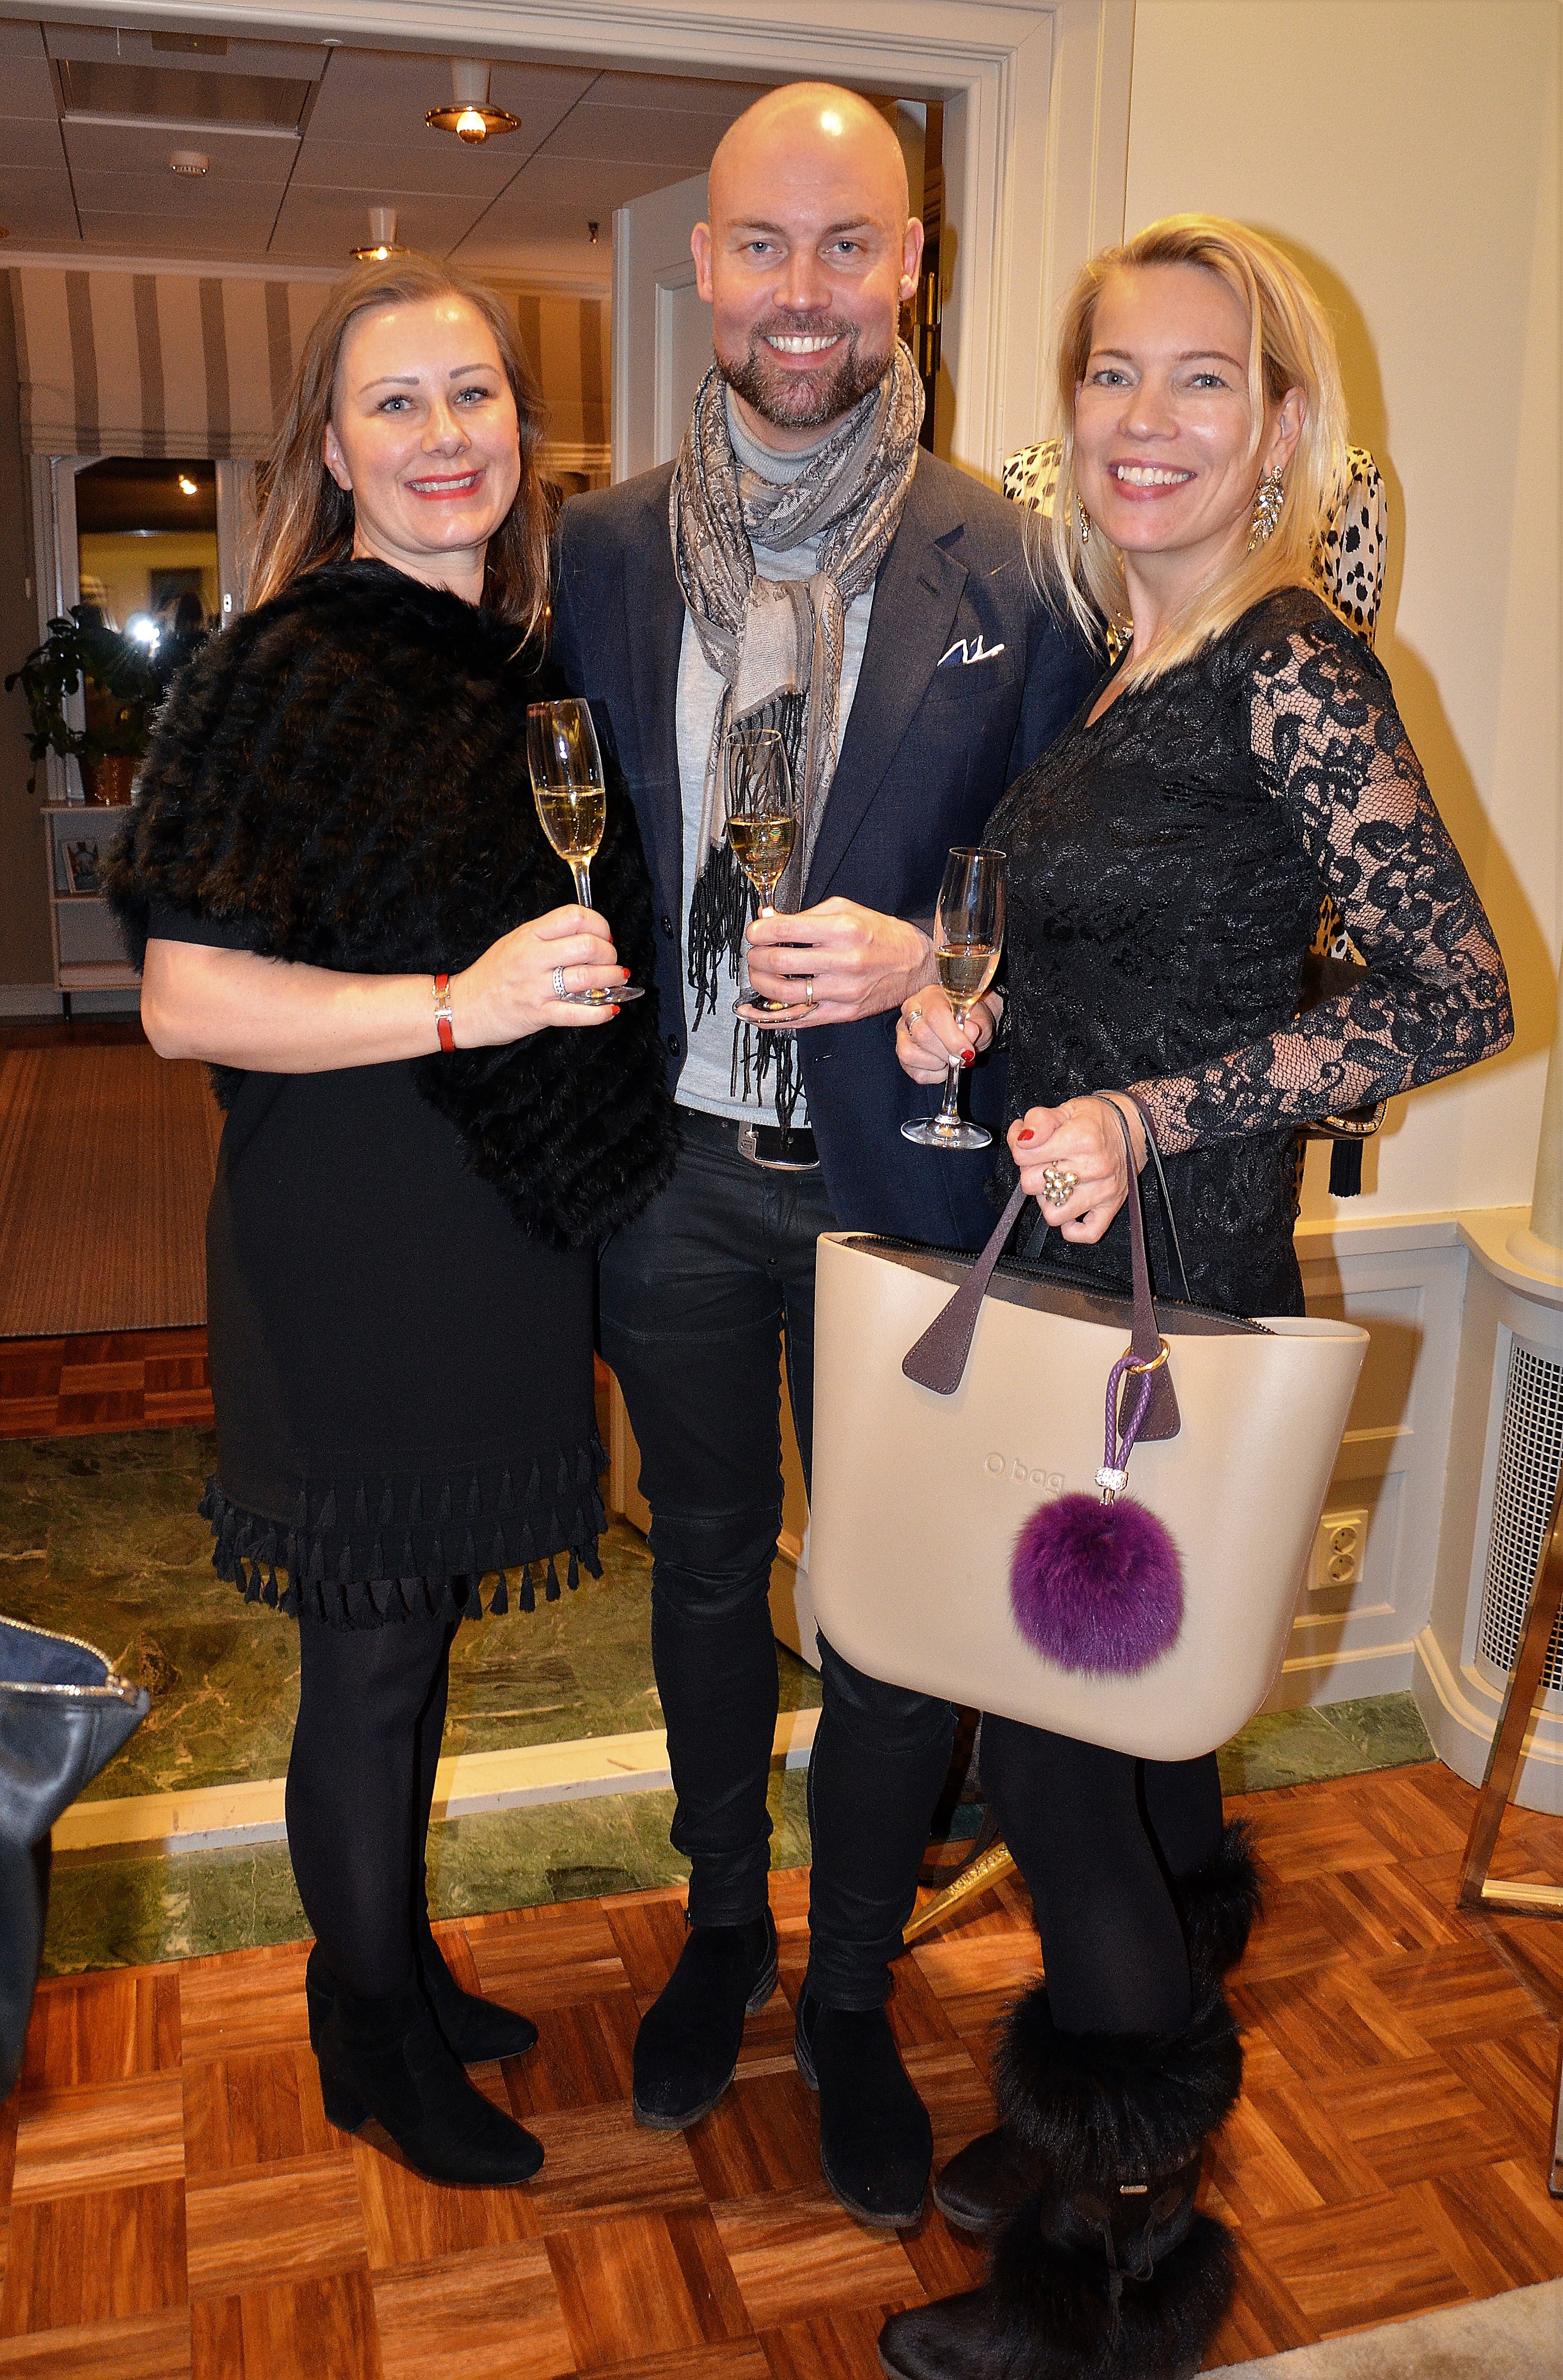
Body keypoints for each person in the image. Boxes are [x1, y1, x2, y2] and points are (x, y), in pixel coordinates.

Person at [880, 216, 1512, 2379]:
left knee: (1062, 1773)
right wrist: (972, 1014)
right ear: (1066, 414)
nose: (1146, 420)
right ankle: (1094, 2133)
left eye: (1203, 378)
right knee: (1134, 1757)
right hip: (1084, 1283)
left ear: (1280, 425)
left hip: (1167, 1291)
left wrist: (1152, 1115)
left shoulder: (1291, 659)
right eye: (1112, 375)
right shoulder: (1130, 661)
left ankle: (1111, 2280)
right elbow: (1146, 946)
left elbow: (1455, 989)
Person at [550, 83, 1097, 2229]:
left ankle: (852, 1988)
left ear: (912, 265)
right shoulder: (597, 552)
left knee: (882, 1608)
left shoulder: (1019, 562)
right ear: (703, 265)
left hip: (905, 1186)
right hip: (672, 1171)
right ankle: (721, 1926)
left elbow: (1078, 890)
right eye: (765, 246)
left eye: (849, 245)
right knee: (702, 1562)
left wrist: (942, 961)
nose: (805, 294)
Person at [106, 257, 675, 2190]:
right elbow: (185, 1000)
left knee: (412, 1642)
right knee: (363, 1661)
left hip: (486, 1233)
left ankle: (393, 1971)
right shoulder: (281, 670)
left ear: (521, 428)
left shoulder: (517, 668)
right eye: (399, 403)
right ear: (332, 451)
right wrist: (464, 1004)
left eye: (475, 395)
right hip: (346, 1238)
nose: (447, 435)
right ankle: (366, 2043)